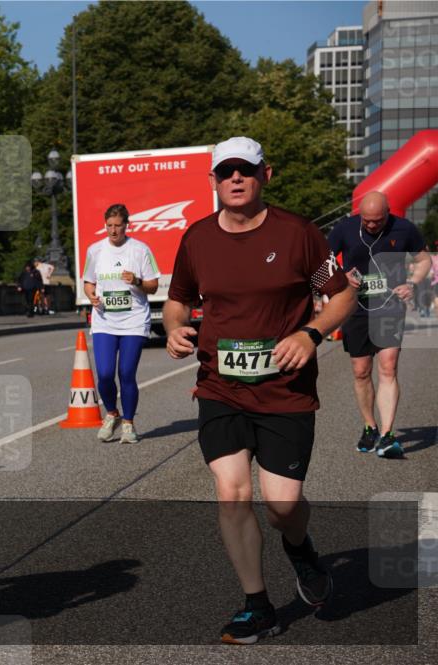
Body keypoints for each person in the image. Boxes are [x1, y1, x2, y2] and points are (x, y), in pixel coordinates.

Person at [163, 136, 355, 645]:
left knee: (282, 506)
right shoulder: (197, 238)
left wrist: (310, 333)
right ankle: (258, 606)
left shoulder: (299, 234)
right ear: (213, 180)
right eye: (226, 171)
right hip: (219, 388)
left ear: (264, 175)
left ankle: (300, 548)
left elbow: (341, 296)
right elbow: (177, 300)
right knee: (231, 492)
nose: (235, 178)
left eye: (245, 170)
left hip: (285, 392)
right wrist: (175, 328)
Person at [326, 191, 430, 458]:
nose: (372, 225)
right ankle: (370, 426)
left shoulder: (404, 228)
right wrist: (341, 276)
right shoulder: (344, 229)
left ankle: (387, 435)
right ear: (360, 214)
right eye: (367, 220)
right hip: (356, 308)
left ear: (387, 213)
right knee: (361, 371)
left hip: (390, 307)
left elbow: (423, 259)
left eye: (377, 220)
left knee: (388, 367)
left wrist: (412, 283)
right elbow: (322, 263)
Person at [83, 203, 160, 444]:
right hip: (104, 320)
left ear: (127, 225)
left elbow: (153, 286)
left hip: (133, 320)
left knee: (126, 373)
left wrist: (136, 280)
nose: (113, 231)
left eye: (118, 226)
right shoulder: (95, 250)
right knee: (105, 374)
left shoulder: (140, 250)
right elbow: (88, 282)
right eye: (109, 226)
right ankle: (112, 413)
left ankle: (128, 423)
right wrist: (91, 295)